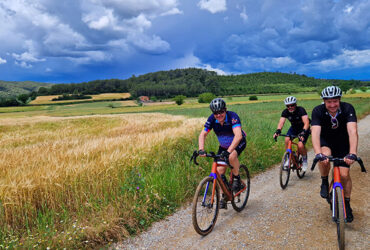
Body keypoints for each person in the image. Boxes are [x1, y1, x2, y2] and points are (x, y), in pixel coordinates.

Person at [311, 86, 358, 222]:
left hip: (343, 142)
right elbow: (315, 133)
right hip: (326, 141)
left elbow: (352, 131)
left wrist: (353, 153)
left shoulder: (348, 108)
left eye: (335, 101)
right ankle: (324, 181)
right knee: (324, 157)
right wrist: (318, 153)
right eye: (329, 102)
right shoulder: (318, 111)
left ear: (340, 100)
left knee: (344, 174)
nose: (332, 105)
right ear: (324, 101)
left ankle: (347, 204)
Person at [198, 98, 247, 209]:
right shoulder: (212, 119)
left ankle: (236, 178)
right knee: (219, 173)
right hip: (224, 146)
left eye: (221, 112)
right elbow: (203, 134)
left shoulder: (232, 117)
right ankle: (225, 194)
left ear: (225, 110)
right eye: (216, 113)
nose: (219, 115)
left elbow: (238, 136)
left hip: (238, 142)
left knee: (231, 156)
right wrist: (201, 149)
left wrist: (229, 151)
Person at [273, 96, 310, 171]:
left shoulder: (301, 110)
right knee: (287, 139)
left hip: (303, 129)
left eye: (292, 105)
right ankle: (288, 158)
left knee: (300, 145)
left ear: (295, 104)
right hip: (294, 128)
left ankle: (304, 160)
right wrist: (278, 131)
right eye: (288, 106)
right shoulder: (285, 112)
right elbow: (281, 122)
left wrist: (303, 133)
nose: (290, 107)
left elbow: (306, 123)